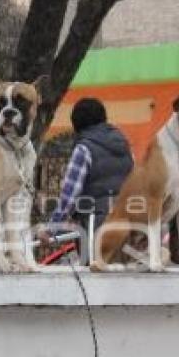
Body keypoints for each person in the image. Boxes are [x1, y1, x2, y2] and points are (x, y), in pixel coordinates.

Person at [37, 98, 133, 263]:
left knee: (97, 283)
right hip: (129, 225)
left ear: (76, 125)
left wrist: (51, 229)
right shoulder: (124, 145)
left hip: (97, 228)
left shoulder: (84, 148)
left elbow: (69, 195)